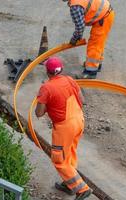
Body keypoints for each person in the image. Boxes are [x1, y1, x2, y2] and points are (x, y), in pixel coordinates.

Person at [35, 57, 93, 200]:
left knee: (59, 160)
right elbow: (83, 101)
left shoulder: (46, 88)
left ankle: (82, 189)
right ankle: (69, 184)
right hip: (79, 121)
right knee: (70, 153)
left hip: (64, 128)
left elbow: (39, 113)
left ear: (47, 72)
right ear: (61, 69)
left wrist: (44, 100)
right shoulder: (70, 80)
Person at [63, 0, 115, 79]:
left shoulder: (75, 7)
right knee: (99, 42)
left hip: (103, 18)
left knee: (94, 44)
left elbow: (80, 27)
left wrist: (75, 38)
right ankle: (97, 64)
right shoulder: (77, 3)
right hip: (106, 13)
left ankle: (90, 72)